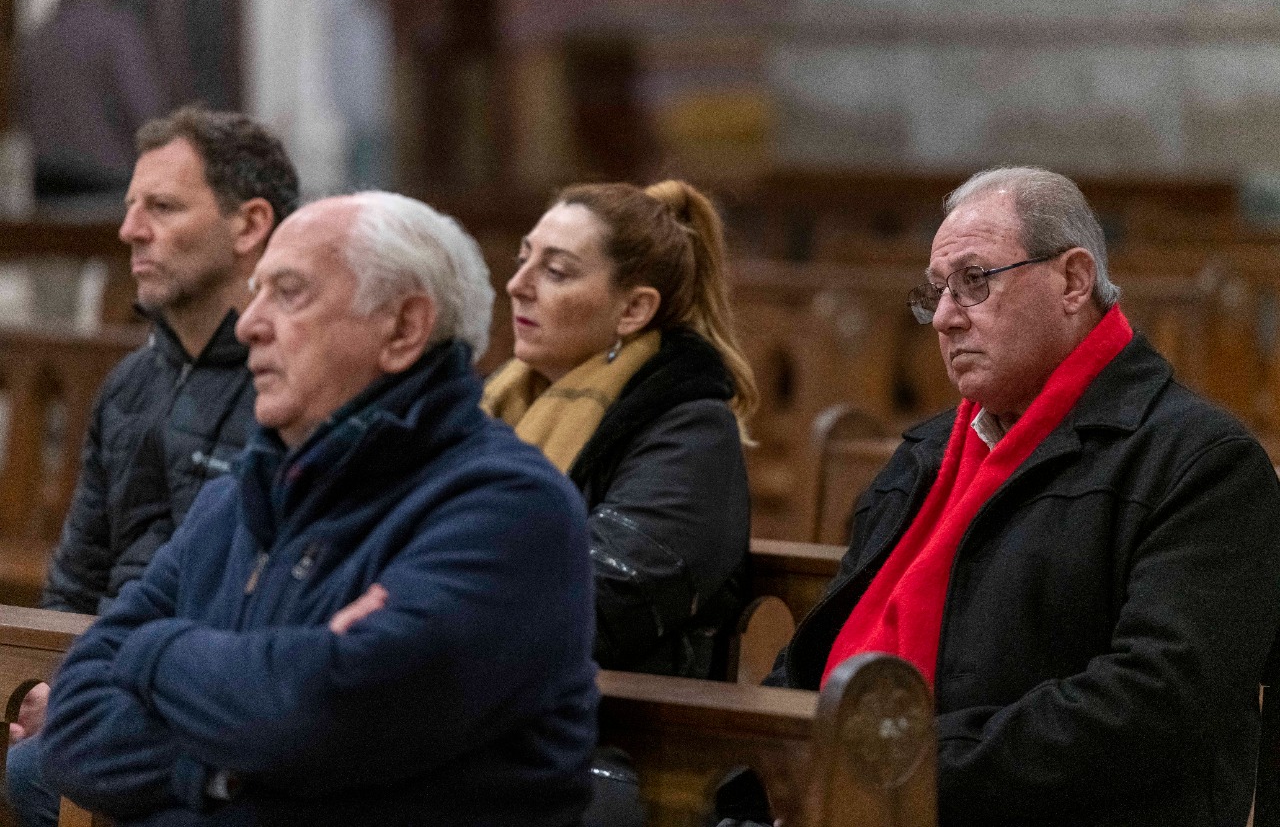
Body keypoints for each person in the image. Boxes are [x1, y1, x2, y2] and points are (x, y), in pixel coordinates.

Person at [732, 166, 1280, 827]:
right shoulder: (923, 458)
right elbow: (818, 653)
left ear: (1073, 281)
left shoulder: (1203, 463)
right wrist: (756, 774)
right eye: (935, 291)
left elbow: (1152, 706)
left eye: (975, 281)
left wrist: (895, 772)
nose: (943, 318)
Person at [37, 192, 598, 826]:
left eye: (289, 293)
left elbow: (316, 717)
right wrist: (233, 759)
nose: (248, 324)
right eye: (256, 293)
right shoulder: (235, 501)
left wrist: (154, 650)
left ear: (403, 329)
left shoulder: (507, 510)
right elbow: (74, 727)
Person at [4, 106, 297, 827]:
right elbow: (77, 573)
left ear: (249, 225)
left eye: (161, 207)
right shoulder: (131, 384)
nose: (130, 229)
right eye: (132, 205)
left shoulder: (293, 384)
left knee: (40, 770)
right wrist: (48, 682)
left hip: (211, 696)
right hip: (107, 682)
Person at [482, 179, 757, 679]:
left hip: (621, 713)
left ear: (633, 310)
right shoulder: (494, 402)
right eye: (524, 259)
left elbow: (599, 600)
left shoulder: (691, 432)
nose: (517, 284)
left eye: (555, 271)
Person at [17, 0, 169, 200]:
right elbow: (147, 115)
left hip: (47, 186)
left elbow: (22, 115)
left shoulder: (39, 37)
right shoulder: (117, 33)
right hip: (105, 186)